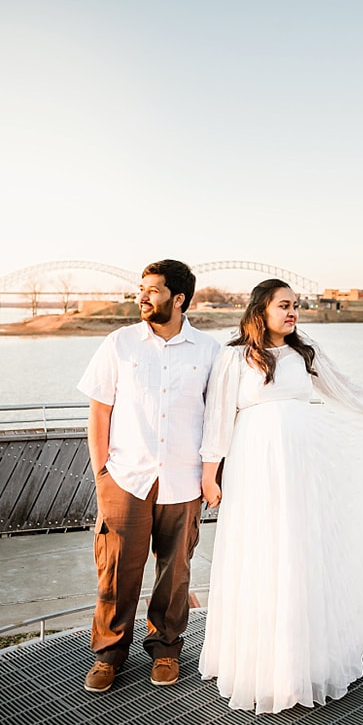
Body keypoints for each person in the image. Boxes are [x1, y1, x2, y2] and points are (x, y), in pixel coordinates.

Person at [198, 279, 363, 714]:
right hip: (256, 468)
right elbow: (217, 421)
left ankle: (301, 661)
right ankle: (258, 664)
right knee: (262, 552)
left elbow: (346, 390)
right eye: (284, 305)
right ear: (260, 309)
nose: (293, 313)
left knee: (300, 552)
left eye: (296, 306)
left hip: (304, 468)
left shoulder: (307, 353)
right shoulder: (232, 357)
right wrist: (211, 476)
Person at [76, 259, 220, 692]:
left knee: (175, 574)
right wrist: (103, 473)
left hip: (183, 479)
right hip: (125, 477)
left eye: (152, 290)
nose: (142, 297)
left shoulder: (210, 351)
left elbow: (216, 420)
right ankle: (108, 655)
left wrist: (211, 475)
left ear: (178, 298)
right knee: (117, 570)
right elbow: (99, 411)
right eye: (140, 288)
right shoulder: (119, 344)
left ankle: (166, 649)